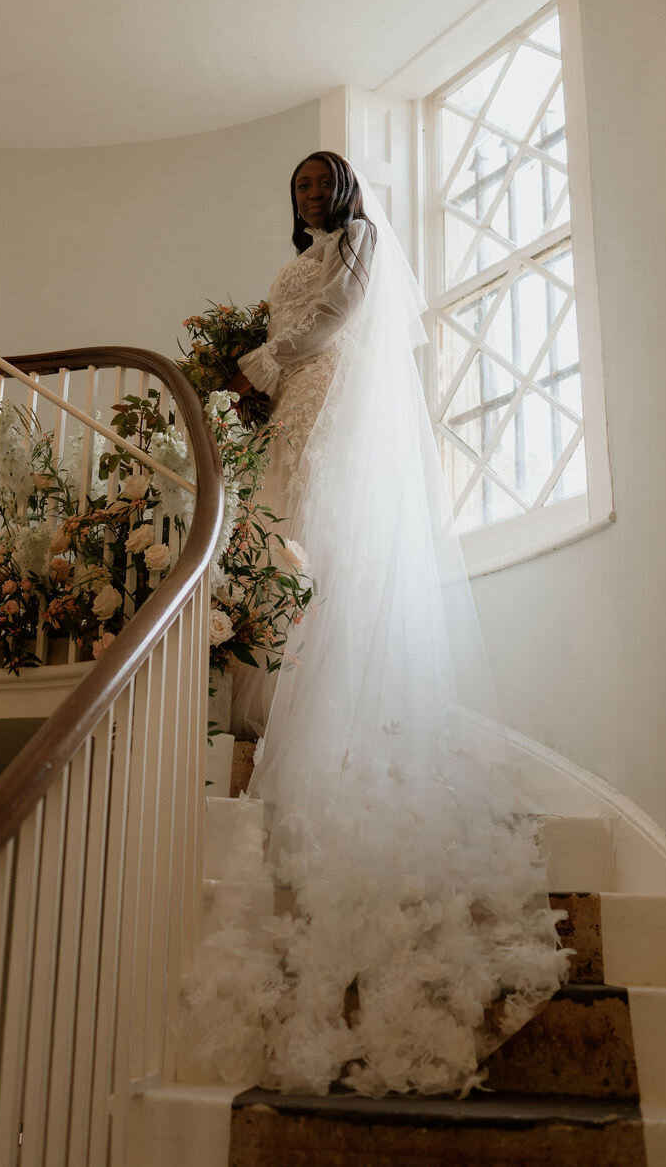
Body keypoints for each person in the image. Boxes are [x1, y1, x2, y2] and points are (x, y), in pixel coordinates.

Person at [185, 151, 567, 1097]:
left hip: (332, 412)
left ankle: (338, 711)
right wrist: (249, 373)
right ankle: (274, 702)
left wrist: (264, 360)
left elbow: (334, 323)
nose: (313, 195)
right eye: (302, 187)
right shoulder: (293, 260)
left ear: (346, 191)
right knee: (279, 548)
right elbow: (285, 323)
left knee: (324, 547)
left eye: (324, 183)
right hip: (290, 418)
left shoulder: (359, 246)